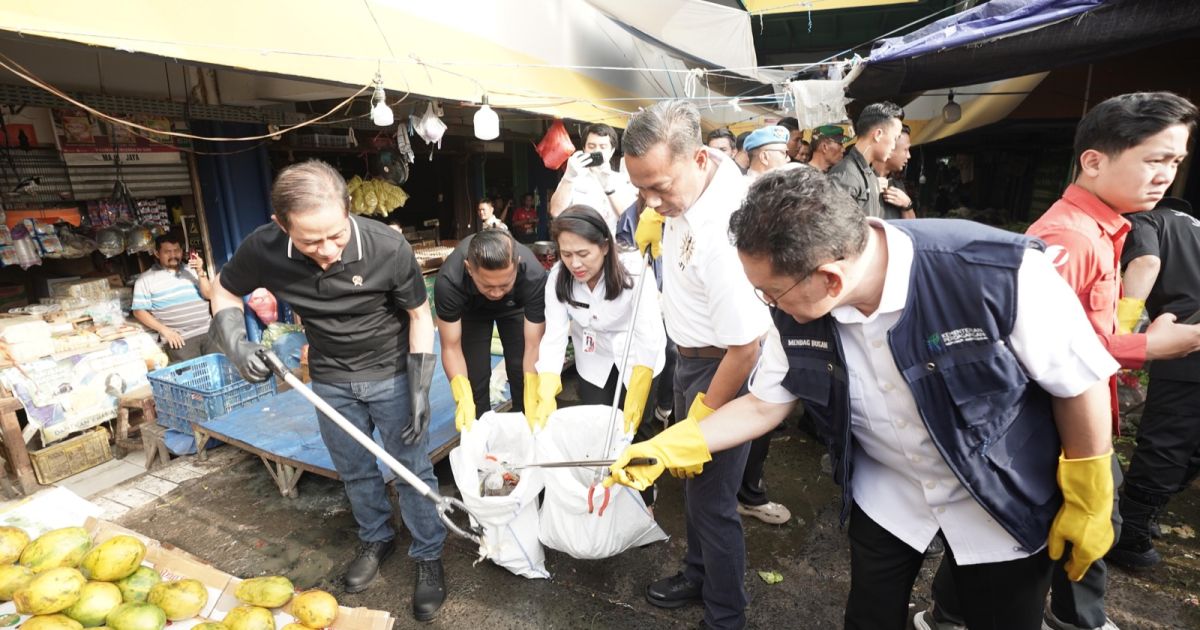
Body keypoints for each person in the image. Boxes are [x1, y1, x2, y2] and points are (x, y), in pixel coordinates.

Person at [610, 167, 1120, 630]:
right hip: (888, 493)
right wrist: (676, 444)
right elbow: (767, 401)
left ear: (830, 278)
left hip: (999, 493)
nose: (767, 304)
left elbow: (1078, 381)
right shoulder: (799, 303)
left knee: (1000, 619)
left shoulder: (997, 274)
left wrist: (1089, 491)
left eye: (771, 293)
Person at [924, 91, 1200, 630]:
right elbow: (1037, 352)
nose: (1166, 174)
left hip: (1068, 420)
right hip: (1053, 425)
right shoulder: (1067, 238)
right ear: (1093, 160)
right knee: (1083, 523)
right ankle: (1074, 620)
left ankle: (951, 615)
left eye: (1175, 161)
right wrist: (1149, 347)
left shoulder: (1105, 228)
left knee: (1016, 529)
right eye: (1154, 158)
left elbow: (1078, 332)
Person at [207, 160, 446, 620]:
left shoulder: (386, 246)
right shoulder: (264, 246)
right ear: (281, 225)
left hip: (392, 373)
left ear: (348, 210)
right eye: (311, 241)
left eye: (335, 236)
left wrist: (419, 387)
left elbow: (420, 316)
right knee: (354, 468)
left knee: (412, 467)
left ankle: (428, 553)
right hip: (330, 378)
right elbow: (224, 290)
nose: (328, 250)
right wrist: (236, 342)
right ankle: (376, 539)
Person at [624, 100, 772, 630]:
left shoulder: (727, 233)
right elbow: (665, 196)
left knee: (712, 501)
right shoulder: (690, 189)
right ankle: (697, 572)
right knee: (694, 488)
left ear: (701, 157)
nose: (651, 198)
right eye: (641, 187)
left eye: (659, 186)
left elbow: (747, 347)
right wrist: (656, 211)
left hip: (723, 371)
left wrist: (702, 416)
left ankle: (725, 615)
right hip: (689, 360)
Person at [530, 205, 665, 476]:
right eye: (566, 254)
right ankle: (604, 489)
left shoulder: (635, 271)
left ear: (604, 246)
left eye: (583, 254)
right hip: (593, 361)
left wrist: (640, 384)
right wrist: (546, 383)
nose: (575, 264)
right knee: (597, 428)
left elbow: (650, 334)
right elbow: (554, 336)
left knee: (637, 431)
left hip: (638, 358)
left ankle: (645, 500)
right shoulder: (558, 277)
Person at [1111, 196, 1200, 570]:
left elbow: (1146, 262)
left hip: (1188, 335)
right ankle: (1150, 513)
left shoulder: (1146, 220)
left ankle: (1131, 535)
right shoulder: (1193, 226)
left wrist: (1123, 334)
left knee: (1167, 438)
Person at [434, 230, 547, 432]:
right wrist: (461, 394)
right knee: (475, 377)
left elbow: (534, 344)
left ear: (517, 265)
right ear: (469, 269)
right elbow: (450, 347)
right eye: (487, 285)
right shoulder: (450, 281)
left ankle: (525, 428)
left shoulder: (532, 274)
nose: (495, 293)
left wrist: (533, 390)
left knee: (520, 370)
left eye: (504, 284)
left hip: (515, 307)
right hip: (472, 311)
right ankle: (479, 434)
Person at [132, 234, 216, 363]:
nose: (173, 255)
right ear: (157, 253)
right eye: (167, 252)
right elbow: (139, 311)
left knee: (220, 375)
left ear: (182, 251)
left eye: (176, 251)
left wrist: (200, 272)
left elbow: (209, 295)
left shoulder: (192, 271)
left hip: (210, 333)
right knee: (192, 380)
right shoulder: (145, 280)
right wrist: (164, 331)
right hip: (180, 340)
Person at [549, 123, 638, 233]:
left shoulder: (622, 180)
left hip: (612, 245)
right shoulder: (573, 178)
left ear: (612, 151)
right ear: (584, 149)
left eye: (603, 147)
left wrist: (609, 189)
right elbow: (555, 212)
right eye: (591, 146)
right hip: (580, 244)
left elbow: (630, 219)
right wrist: (568, 177)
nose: (596, 151)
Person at [828, 102, 904, 218]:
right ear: (878, 134)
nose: (894, 146)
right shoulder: (846, 175)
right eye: (895, 138)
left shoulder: (868, 173)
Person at [875, 125, 916, 220]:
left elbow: (912, 226)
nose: (909, 156)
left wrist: (907, 204)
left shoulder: (898, 185)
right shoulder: (862, 181)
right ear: (890, 149)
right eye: (905, 150)